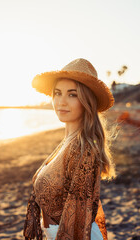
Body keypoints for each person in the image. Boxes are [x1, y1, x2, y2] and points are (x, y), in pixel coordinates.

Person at [23, 58, 116, 240]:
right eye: (57, 93)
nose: (61, 102)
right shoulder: (68, 141)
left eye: (72, 94)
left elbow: (78, 217)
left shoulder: (84, 149)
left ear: (86, 101)